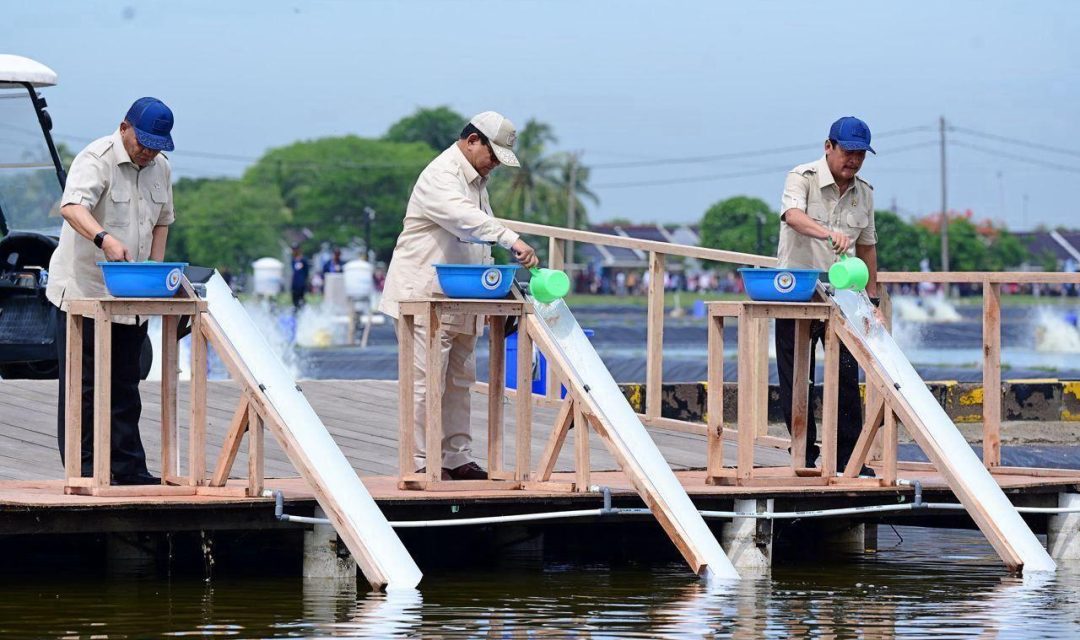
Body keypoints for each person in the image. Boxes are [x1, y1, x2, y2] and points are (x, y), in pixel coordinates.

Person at [379, 111, 539, 480]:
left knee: (460, 381)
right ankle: (420, 460)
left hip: (462, 295)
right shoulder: (442, 175)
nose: (495, 164)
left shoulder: (476, 180)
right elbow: (465, 220)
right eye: (493, 155)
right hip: (425, 296)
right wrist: (511, 239)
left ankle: (455, 456)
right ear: (472, 141)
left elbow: (476, 236)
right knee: (424, 381)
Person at [46, 97, 177, 485]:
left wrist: (154, 269)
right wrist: (104, 239)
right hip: (83, 291)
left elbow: (162, 222)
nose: (149, 151)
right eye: (144, 142)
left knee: (126, 380)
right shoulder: (96, 158)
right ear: (125, 128)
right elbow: (71, 207)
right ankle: (84, 469)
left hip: (131, 293)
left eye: (158, 145)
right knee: (84, 384)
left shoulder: (161, 168)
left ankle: (128, 467)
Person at [774, 116, 882, 475]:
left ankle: (849, 459)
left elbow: (867, 249)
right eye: (847, 152)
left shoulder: (864, 192)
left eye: (860, 155)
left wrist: (873, 301)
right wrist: (826, 233)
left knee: (847, 375)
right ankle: (803, 452)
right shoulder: (802, 178)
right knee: (796, 375)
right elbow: (792, 216)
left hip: (844, 294)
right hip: (799, 288)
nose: (853, 160)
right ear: (828, 147)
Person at [290, 245, 309, 309]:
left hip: (301, 283)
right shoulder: (293, 260)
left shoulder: (303, 260)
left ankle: (303, 310)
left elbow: (306, 272)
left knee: (301, 299)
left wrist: (305, 281)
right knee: (294, 299)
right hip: (295, 283)